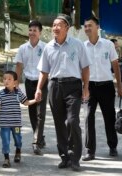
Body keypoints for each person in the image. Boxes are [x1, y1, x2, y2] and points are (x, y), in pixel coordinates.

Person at [35, 14, 91, 171]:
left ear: (67, 27)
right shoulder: (48, 47)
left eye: (59, 25)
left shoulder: (78, 45)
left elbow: (85, 67)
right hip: (54, 86)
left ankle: (75, 157)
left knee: (72, 121)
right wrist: (39, 88)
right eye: (53, 25)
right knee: (59, 123)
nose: (55, 28)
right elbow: (44, 71)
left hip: (73, 86)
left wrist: (86, 87)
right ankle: (64, 156)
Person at [82, 16, 122, 161]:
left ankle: (113, 146)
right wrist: (84, 88)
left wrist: (119, 86)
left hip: (106, 86)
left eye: (90, 25)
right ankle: (89, 150)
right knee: (88, 117)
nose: (87, 28)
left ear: (97, 27)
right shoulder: (83, 46)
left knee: (109, 117)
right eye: (85, 26)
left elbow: (116, 66)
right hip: (90, 87)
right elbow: (81, 68)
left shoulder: (108, 45)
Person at [0, 71, 37, 168]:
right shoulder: (1, 93)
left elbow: (26, 103)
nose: (6, 81)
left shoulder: (18, 93)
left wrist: (35, 100)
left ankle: (18, 151)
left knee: (18, 139)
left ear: (15, 82)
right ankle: (6, 159)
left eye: (9, 79)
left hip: (16, 124)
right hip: (5, 124)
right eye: (5, 79)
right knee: (5, 141)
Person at [14, 20, 47, 155]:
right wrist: (15, 83)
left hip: (43, 82)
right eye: (30, 30)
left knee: (41, 113)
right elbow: (19, 67)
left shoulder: (46, 47)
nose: (32, 33)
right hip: (29, 82)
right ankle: (39, 137)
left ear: (40, 32)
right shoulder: (22, 48)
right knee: (32, 112)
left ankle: (36, 142)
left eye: (35, 30)